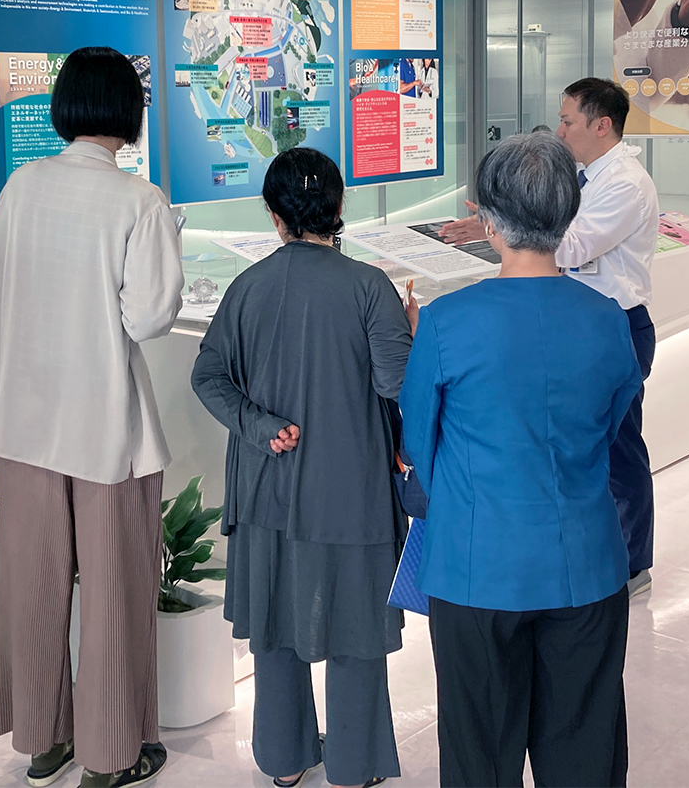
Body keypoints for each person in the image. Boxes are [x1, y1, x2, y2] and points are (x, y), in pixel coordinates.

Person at [401, 132, 644, 788]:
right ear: (568, 215)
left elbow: (419, 443)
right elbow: (611, 421)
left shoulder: (446, 321)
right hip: (585, 561)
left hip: (476, 566)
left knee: (479, 756)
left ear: (489, 223)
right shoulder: (607, 318)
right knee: (584, 753)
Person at [0, 47, 183, 788]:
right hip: (104, 429)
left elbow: (3, 283)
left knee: (33, 589)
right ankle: (110, 751)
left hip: (24, 423)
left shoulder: (20, 186)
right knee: (112, 594)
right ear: (130, 111)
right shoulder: (140, 200)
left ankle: (44, 739)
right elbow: (149, 317)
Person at [190, 147, 413, 788]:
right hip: (351, 489)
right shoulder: (369, 287)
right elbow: (397, 383)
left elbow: (207, 377)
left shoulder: (246, 286)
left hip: (266, 485)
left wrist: (261, 427)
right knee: (357, 633)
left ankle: (284, 760)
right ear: (338, 207)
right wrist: (411, 331)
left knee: (276, 628)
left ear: (273, 214)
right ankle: (353, 765)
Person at [440, 79, 659, 595]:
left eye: (567, 121)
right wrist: (498, 227)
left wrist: (502, 228)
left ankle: (633, 564)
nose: (559, 132)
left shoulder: (625, 183)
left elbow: (570, 246)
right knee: (578, 445)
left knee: (619, 448)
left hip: (616, 325)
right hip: (577, 320)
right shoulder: (584, 177)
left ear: (602, 125)